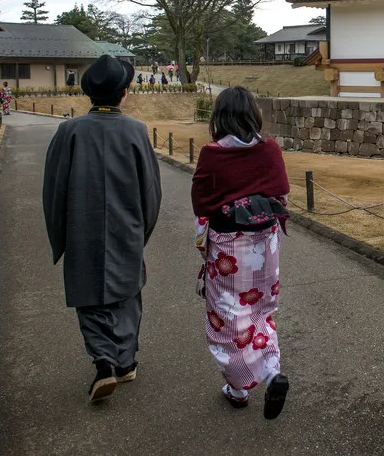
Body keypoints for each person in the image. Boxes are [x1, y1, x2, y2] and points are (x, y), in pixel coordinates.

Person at [42, 54, 162, 402]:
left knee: (89, 295)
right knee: (127, 294)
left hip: (82, 226)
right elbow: (151, 190)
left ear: (88, 94)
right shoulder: (136, 130)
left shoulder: (69, 131)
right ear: (124, 93)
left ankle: (103, 361)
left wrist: (59, 235)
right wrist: (142, 231)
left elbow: (54, 189)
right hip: (127, 226)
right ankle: (125, 363)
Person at [191, 86, 290, 419]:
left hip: (229, 249)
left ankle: (238, 390)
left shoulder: (212, 153)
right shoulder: (270, 148)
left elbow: (201, 206)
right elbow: (282, 195)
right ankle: (272, 372)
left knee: (228, 320)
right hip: (265, 243)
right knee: (262, 309)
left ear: (219, 117)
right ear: (253, 114)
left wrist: (202, 244)